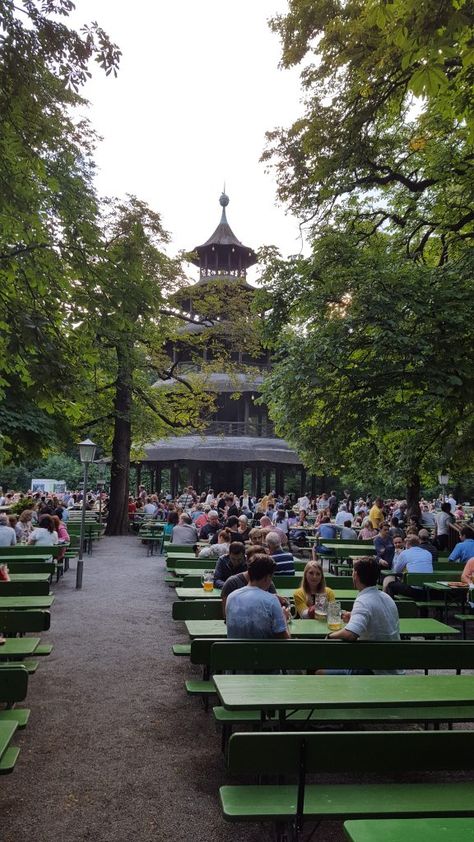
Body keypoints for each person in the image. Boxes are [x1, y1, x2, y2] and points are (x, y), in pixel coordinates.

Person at [322, 556, 402, 675]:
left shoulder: (363, 601)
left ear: (356, 576)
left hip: (374, 670)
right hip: (393, 666)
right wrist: (354, 616)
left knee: (318, 670)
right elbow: (375, 621)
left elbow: (350, 634)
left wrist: (329, 636)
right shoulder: (386, 597)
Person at [225, 554, 290, 639]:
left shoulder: (231, 597)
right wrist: (284, 617)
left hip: (234, 651)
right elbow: (285, 640)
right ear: (267, 577)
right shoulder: (272, 601)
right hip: (263, 652)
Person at [386, 534, 433, 600]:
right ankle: (423, 610)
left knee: (391, 585)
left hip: (414, 590)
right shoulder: (428, 553)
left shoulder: (405, 553)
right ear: (418, 543)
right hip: (428, 589)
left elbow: (396, 571)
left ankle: (396, 607)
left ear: (407, 544)